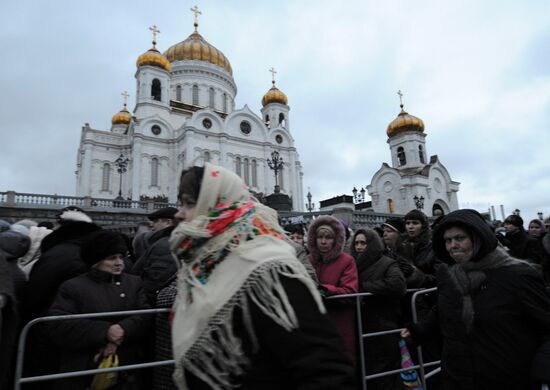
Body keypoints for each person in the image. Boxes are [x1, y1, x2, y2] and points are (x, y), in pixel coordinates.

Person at [169, 163, 355, 390]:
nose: (179, 214)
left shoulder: (268, 269)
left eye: (189, 203)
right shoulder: (203, 268)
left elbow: (326, 368)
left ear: (216, 204)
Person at [401, 209, 550, 389]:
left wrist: (543, 375)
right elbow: (446, 308)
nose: (452, 245)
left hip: (507, 377)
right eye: (447, 240)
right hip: (457, 377)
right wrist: (419, 330)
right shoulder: (449, 275)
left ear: (479, 238)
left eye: (460, 238)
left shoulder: (518, 275)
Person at [49, 230, 151, 390]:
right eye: (111, 258)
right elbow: (59, 325)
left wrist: (123, 330)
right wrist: (104, 332)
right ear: (96, 260)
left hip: (127, 366)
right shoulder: (72, 287)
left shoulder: (134, 283)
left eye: (121, 257)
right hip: (85, 366)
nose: (119, 263)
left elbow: (144, 315)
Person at [351, 228, 406, 390]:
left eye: (363, 243)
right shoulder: (353, 263)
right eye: (356, 243)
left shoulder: (386, 262)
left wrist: (365, 288)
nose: (359, 247)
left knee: (383, 373)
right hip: (364, 325)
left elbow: (398, 284)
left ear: (372, 244)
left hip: (383, 325)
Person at [307, 215, 359, 363]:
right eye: (320, 237)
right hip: (315, 324)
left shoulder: (347, 261)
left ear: (336, 239)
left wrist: (326, 290)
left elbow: (350, 291)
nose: (323, 242)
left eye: (328, 237)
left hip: (339, 323)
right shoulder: (308, 259)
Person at [130, 207, 179, 305]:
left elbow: (155, 282)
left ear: (168, 222)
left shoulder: (164, 245)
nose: (152, 226)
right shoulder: (166, 242)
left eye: (156, 221)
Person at [382, 217, 424, 288]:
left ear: (399, 234)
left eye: (389, 231)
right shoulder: (384, 250)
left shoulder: (406, 249)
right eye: (384, 231)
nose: (384, 234)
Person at [401, 210, 438, 287]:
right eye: (408, 223)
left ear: (423, 226)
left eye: (415, 223)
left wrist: (418, 275)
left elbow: (439, 278)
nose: (410, 227)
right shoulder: (401, 247)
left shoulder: (433, 248)